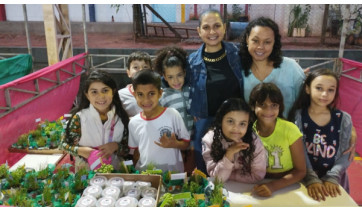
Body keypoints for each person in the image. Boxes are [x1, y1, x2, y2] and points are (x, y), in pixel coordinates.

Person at [186, 9, 244, 174]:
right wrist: (192, 110)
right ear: (199, 31)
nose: (212, 32)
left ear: (224, 28)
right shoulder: (191, 62)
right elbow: (174, 84)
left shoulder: (237, 54)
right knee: (205, 172)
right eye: (206, 27)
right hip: (205, 125)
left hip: (236, 125)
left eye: (217, 26)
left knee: (235, 169)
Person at [288, 68, 353, 201]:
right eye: (319, 88)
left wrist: (333, 176)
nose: (325, 94)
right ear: (307, 89)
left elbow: (346, 153)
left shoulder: (343, 118)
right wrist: (311, 177)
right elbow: (299, 151)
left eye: (331, 90)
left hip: (334, 182)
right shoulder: (298, 116)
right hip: (304, 179)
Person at [60, 70, 130, 172]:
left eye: (105, 90)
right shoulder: (79, 118)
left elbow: (128, 148)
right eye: (94, 92)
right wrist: (82, 151)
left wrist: (116, 146)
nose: (101, 96)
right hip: (86, 170)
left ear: (113, 92)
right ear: (87, 95)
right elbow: (63, 144)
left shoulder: (121, 117)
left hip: (115, 171)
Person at [239, 17, 305, 117]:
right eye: (255, 40)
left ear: (274, 42)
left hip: (287, 131)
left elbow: (305, 102)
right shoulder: (238, 70)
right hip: (251, 131)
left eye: (267, 42)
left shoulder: (291, 68)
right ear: (247, 39)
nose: (260, 47)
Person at [249, 83, 306, 197]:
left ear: (280, 107)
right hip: (257, 182)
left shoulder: (290, 130)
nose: (268, 110)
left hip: (286, 185)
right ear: (253, 106)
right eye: (262, 104)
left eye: (274, 105)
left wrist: (273, 186)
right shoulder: (248, 130)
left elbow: (301, 171)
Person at [128, 69, 190, 172]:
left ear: (160, 93)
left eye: (151, 93)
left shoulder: (172, 114)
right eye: (140, 94)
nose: (146, 100)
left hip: (172, 174)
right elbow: (135, 153)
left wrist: (175, 144)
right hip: (146, 176)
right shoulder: (134, 122)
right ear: (134, 95)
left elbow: (186, 143)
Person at [202, 98, 267, 183]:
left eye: (242, 124)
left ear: (248, 124)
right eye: (230, 121)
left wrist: (228, 175)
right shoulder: (209, 140)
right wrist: (229, 153)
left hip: (247, 190)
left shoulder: (253, 141)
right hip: (222, 190)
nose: (236, 128)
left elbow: (257, 175)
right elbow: (218, 180)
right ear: (221, 120)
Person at [154, 46, 195, 174]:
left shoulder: (192, 91)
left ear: (184, 72)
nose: (175, 81)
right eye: (170, 77)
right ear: (164, 77)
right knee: (176, 175)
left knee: (192, 174)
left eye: (179, 75)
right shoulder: (163, 96)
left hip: (193, 142)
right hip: (174, 145)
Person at [118, 51, 152, 117]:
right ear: (128, 72)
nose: (141, 70)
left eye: (145, 67)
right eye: (136, 67)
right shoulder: (120, 95)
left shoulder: (160, 93)